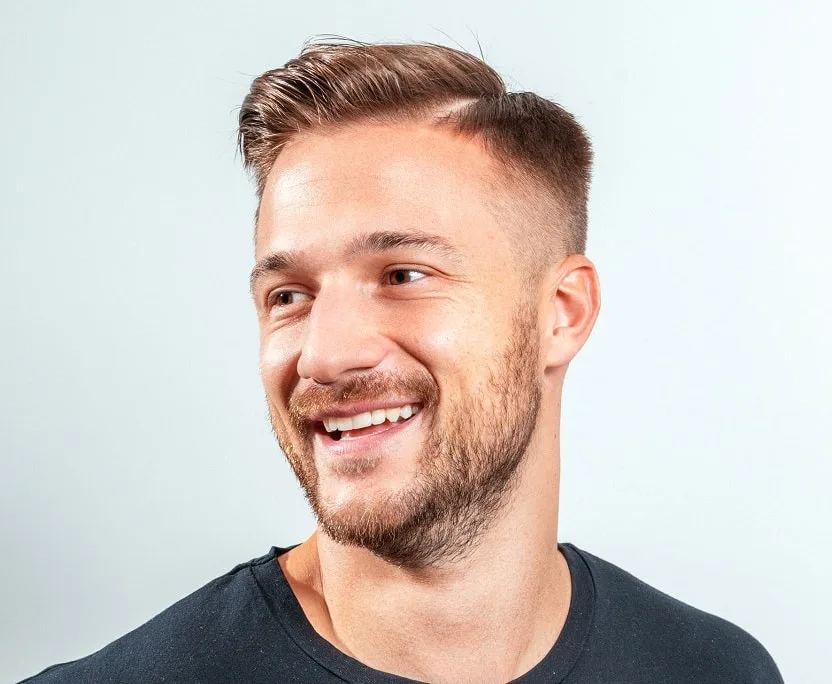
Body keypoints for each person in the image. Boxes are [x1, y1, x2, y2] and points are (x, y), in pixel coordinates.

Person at [21, 39, 783, 684]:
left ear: (563, 313)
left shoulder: (712, 669)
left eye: (403, 276)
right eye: (288, 295)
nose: (324, 354)